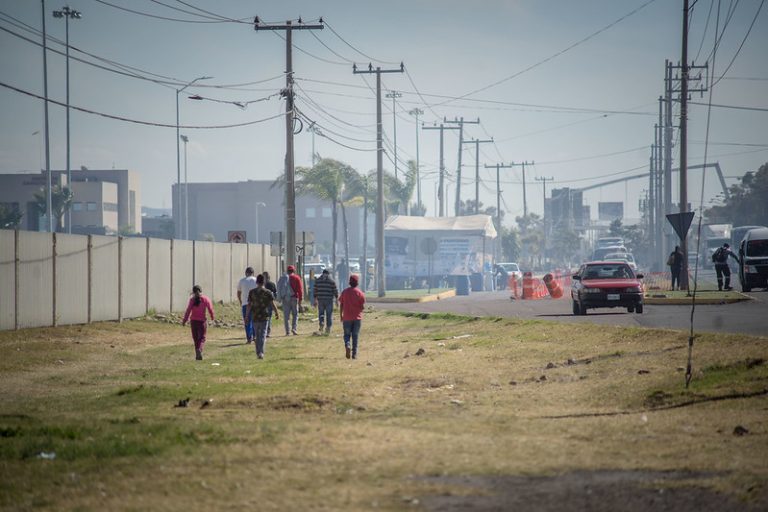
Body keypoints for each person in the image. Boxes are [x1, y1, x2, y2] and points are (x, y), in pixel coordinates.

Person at [246, 274, 279, 359]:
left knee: (256, 335)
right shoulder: (268, 292)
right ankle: (261, 352)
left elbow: (249, 305)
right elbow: (272, 304)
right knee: (263, 334)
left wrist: (247, 315)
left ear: (256, 282)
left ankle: (258, 352)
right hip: (264, 316)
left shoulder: (252, 292)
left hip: (255, 316)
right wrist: (276, 312)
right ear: (264, 282)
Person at [182, 285, 215, 361]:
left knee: (195, 338)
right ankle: (199, 350)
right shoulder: (205, 299)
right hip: (202, 322)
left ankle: (197, 354)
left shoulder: (192, 300)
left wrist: (184, 320)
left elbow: (188, 310)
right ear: (201, 291)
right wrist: (212, 317)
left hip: (193, 321)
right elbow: (210, 309)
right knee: (202, 338)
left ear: (193, 292)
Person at [339, 274, 366, 360]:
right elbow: (362, 306)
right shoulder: (360, 293)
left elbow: (341, 305)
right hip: (357, 318)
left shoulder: (344, 292)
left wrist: (341, 315)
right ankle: (354, 354)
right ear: (357, 283)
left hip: (346, 318)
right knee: (355, 336)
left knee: (347, 335)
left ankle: (347, 344)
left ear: (349, 282)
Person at [313, 268, 339, 335]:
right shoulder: (331, 281)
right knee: (329, 314)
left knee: (321, 313)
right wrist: (336, 299)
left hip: (320, 299)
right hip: (329, 300)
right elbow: (335, 291)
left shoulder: (317, 281)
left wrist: (315, 300)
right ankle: (328, 328)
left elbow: (315, 291)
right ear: (328, 274)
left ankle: (321, 324)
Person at [236, 267, 258, 344]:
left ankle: (249, 337)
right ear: (253, 273)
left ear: (246, 273)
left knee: (247, 321)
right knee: (255, 320)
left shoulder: (242, 281)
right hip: (255, 303)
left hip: (245, 303)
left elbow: (238, 293)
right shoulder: (256, 280)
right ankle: (255, 336)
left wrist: (240, 301)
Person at [281, 265, 303, 335]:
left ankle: (287, 331)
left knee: (286, 316)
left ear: (287, 271)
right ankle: (294, 328)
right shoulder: (297, 278)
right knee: (295, 314)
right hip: (294, 298)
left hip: (285, 299)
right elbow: (300, 290)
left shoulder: (284, 278)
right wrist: (300, 300)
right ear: (294, 270)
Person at [262, 271, 277, 337]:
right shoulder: (273, 284)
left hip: (263, 303)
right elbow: (275, 294)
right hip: (270, 303)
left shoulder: (262, 285)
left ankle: (264, 331)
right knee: (269, 318)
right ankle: (268, 332)